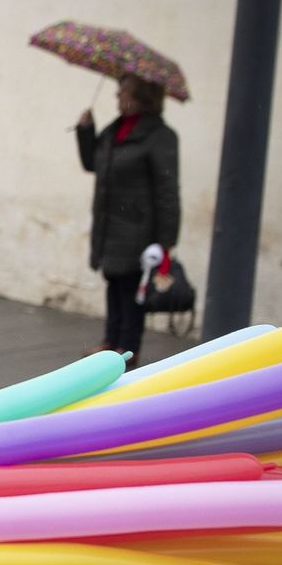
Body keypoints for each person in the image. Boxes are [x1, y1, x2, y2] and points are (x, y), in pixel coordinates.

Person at [75, 73, 180, 367]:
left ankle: (127, 348)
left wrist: (165, 242)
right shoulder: (115, 130)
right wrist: (86, 130)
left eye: (122, 91)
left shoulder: (160, 136)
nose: (117, 96)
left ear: (140, 98)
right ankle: (110, 342)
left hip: (138, 228)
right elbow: (92, 163)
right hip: (110, 224)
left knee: (133, 290)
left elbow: (167, 191)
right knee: (114, 282)